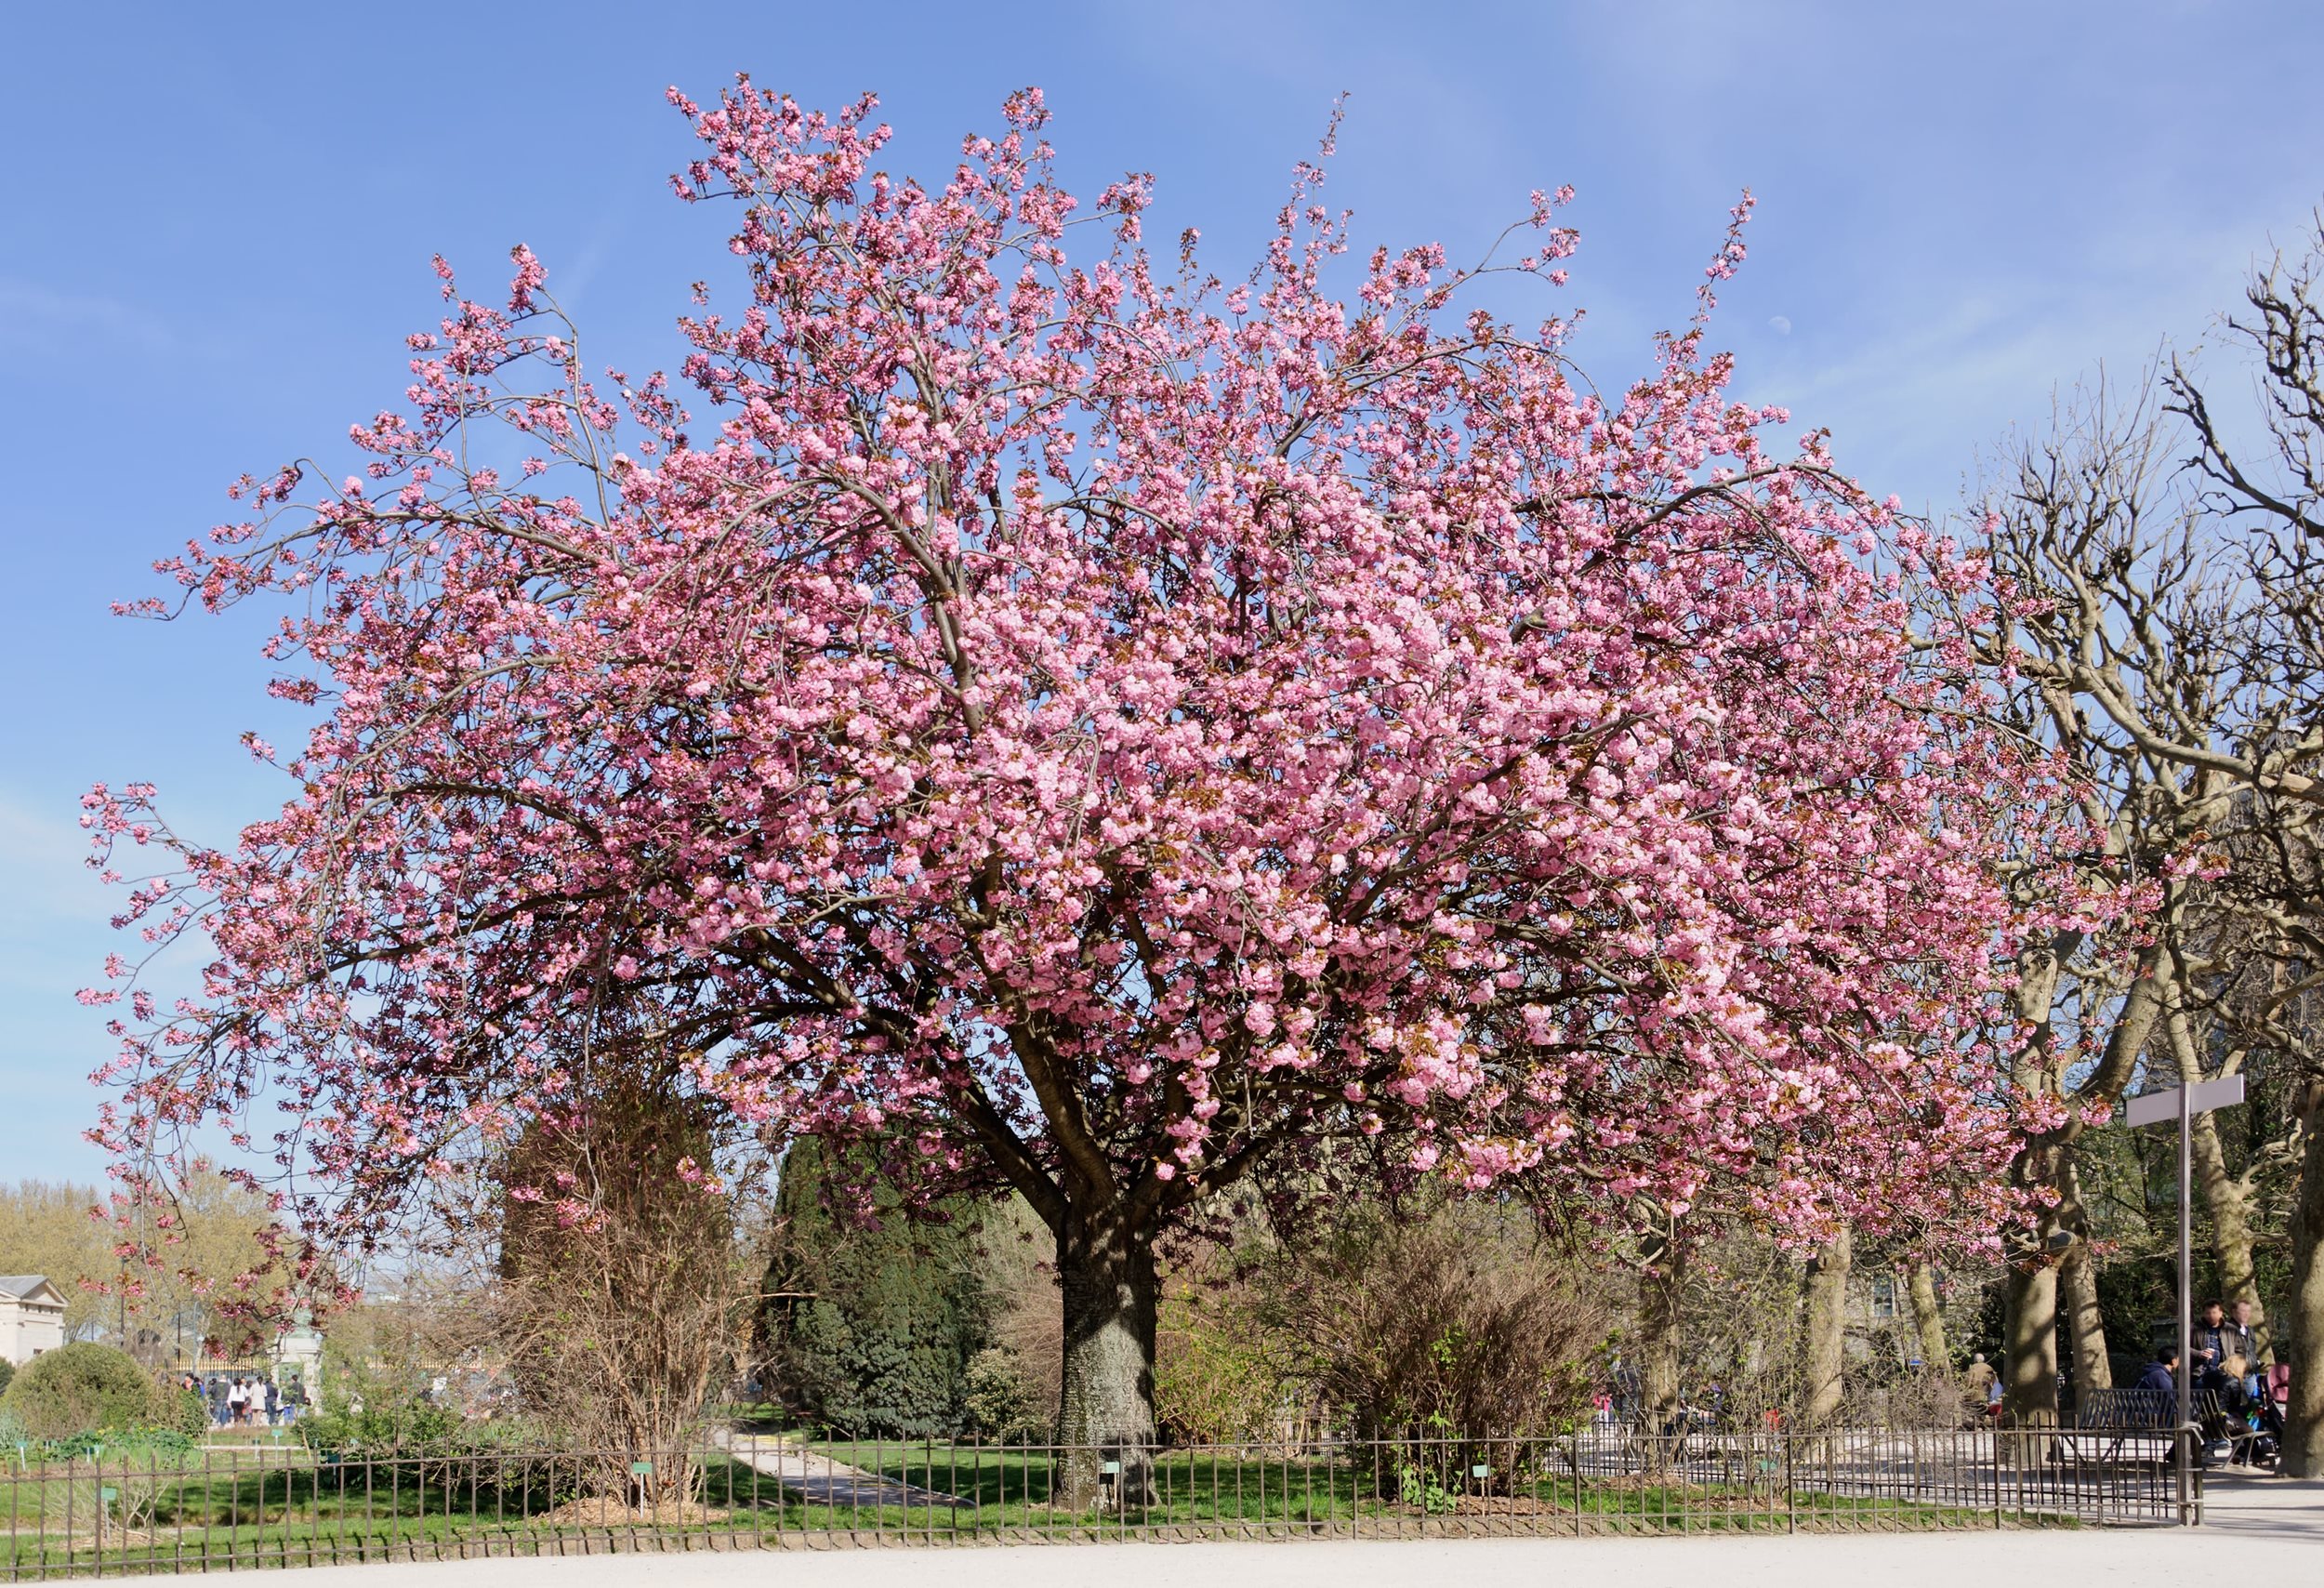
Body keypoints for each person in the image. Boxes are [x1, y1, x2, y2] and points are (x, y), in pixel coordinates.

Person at [1961, 1353, 1997, 1427]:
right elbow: (1995, 1381)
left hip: (1975, 1393)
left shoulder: (1973, 1368)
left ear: (1975, 1360)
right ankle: (1981, 1425)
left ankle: (1975, 1425)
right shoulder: (1989, 1368)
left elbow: (1968, 1381)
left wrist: (1965, 1391)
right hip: (1986, 1393)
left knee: (1974, 1409)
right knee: (1983, 1409)